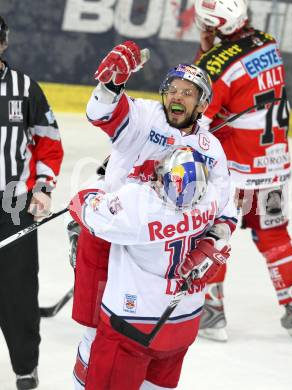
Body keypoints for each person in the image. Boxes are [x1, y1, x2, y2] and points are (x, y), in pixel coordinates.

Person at [69, 40, 238, 388]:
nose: (177, 96)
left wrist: (213, 242)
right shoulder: (146, 117)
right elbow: (102, 114)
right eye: (172, 89)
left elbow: (228, 206)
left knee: (141, 342)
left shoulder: (211, 148)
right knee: (95, 331)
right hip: (107, 235)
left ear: (203, 103)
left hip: (158, 251)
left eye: (188, 93)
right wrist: (111, 86)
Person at [193, 0, 292, 342]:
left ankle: (211, 314)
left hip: (236, 173)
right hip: (273, 167)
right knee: (276, 238)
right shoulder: (268, 42)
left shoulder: (217, 67)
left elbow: (195, 115)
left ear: (211, 26)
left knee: (211, 233)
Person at [69, 146, 232, 389]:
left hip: (131, 328)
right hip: (181, 325)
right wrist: (214, 239)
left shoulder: (137, 204)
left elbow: (82, 205)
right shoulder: (211, 200)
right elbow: (231, 211)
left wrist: (108, 173)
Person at [0, 15, 64, 389]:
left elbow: (49, 143)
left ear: (3, 43)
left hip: (12, 204)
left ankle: (25, 366)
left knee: (19, 289)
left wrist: (43, 186)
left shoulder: (25, 89)